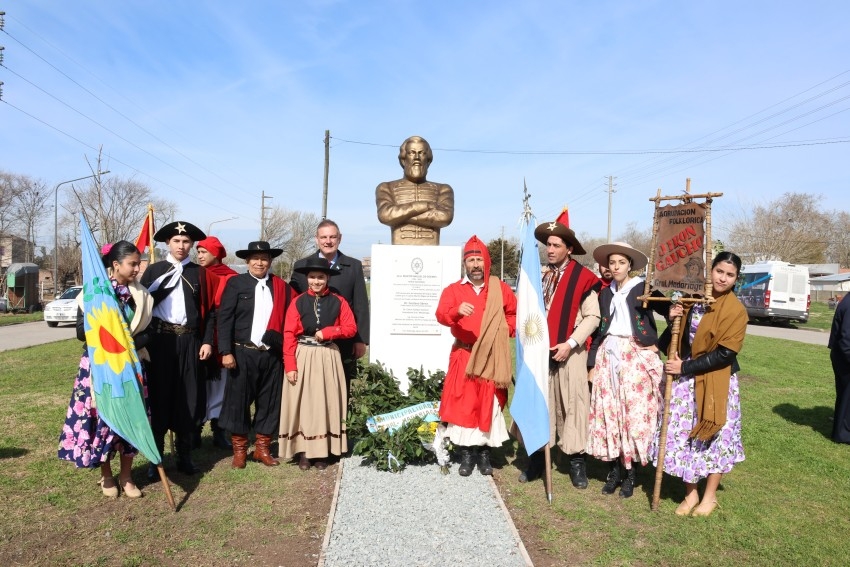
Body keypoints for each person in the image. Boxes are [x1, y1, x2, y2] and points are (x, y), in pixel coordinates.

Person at [655, 251, 748, 517]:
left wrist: (684, 367)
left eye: (730, 275)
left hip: (718, 382)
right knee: (687, 436)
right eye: (719, 271)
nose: (723, 278)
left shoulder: (736, 311)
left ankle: (709, 497)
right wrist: (674, 317)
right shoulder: (692, 299)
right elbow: (673, 340)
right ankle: (690, 492)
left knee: (715, 438)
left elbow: (725, 354)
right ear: (711, 271)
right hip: (686, 383)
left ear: (736, 279)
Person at [58, 240, 154, 498]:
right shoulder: (91, 293)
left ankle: (127, 475)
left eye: (138, 263)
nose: (137, 268)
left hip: (131, 367)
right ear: (115, 264)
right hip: (100, 368)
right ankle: (107, 475)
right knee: (104, 420)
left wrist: (128, 344)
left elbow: (148, 333)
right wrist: (109, 336)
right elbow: (81, 333)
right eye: (132, 264)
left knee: (132, 418)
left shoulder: (142, 296)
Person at [520, 209, 601, 489]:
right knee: (541, 404)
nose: (550, 250)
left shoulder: (583, 278)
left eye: (556, 245)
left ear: (569, 249)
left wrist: (570, 343)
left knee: (572, 405)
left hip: (570, 352)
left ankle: (577, 462)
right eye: (548, 245)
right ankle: (537, 459)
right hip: (539, 354)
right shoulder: (538, 275)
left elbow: (592, 317)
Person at [586, 242, 664, 498]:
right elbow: (599, 330)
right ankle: (614, 472)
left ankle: (631, 474)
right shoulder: (605, 293)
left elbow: (672, 313)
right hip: (609, 355)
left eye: (621, 262)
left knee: (633, 415)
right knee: (610, 413)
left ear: (630, 264)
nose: (616, 267)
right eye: (612, 263)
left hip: (634, 356)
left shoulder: (643, 288)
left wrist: (657, 345)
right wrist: (592, 363)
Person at [435, 236, 517, 476]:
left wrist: (504, 330)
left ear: (486, 261)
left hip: (491, 356)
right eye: (470, 260)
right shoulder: (454, 289)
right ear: (465, 264)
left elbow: (513, 314)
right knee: (464, 405)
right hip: (465, 354)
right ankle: (467, 455)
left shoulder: (500, 288)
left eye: (479, 259)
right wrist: (456, 312)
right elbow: (441, 315)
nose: (475, 265)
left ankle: (484, 454)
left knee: (488, 404)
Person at [140, 221, 214, 478]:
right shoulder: (154, 271)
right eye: (176, 241)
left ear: (192, 245)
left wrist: (206, 341)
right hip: (160, 343)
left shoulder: (200, 273)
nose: (181, 246)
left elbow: (210, 311)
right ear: (167, 244)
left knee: (188, 397)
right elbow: (141, 309)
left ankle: (185, 456)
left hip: (190, 342)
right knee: (160, 396)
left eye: (186, 242)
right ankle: (156, 459)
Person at [217, 241, 295, 468]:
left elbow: (292, 318)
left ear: (270, 261)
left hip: (271, 355)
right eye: (255, 258)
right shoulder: (236, 284)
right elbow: (225, 319)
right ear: (247, 261)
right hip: (242, 353)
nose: (260, 262)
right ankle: (240, 450)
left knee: (269, 401)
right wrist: (226, 351)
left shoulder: (281, 287)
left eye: (264, 258)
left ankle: (262, 448)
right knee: (238, 401)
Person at [279, 256, 356, 470]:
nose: (316, 281)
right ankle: (304, 451)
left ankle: (322, 452)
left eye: (320, 277)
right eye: (312, 277)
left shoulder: (339, 301)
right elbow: (288, 335)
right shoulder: (298, 302)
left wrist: (331, 331)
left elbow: (350, 328)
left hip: (328, 356)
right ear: (307, 279)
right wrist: (290, 366)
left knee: (325, 402)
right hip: (304, 355)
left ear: (328, 278)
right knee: (305, 403)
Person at [290, 219, 370, 392]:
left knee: (340, 386)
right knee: (310, 388)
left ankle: (338, 419)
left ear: (339, 238)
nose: (328, 241)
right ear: (316, 239)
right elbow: (293, 305)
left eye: (332, 237)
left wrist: (361, 339)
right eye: (324, 237)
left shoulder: (353, 266)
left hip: (344, 341)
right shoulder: (301, 266)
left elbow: (361, 304)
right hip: (308, 344)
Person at [193, 236, 238, 450]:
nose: (199, 256)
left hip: (222, 334)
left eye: (204, 252)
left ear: (216, 254)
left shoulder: (231, 278)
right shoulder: (195, 273)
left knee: (221, 387)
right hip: (197, 334)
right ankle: (195, 430)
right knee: (197, 385)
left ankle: (219, 429)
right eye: (198, 252)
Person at [375, 135, 454, 245]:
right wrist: (424, 206)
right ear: (403, 159)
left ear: (428, 160)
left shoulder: (443, 189)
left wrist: (398, 216)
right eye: (412, 152)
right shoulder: (386, 187)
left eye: (422, 153)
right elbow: (385, 215)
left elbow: (445, 217)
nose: (417, 157)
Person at [828, 292, 850, 443]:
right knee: (846, 397)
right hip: (845, 357)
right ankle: (843, 435)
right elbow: (846, 338)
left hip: (842, 355)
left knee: (845, 397)